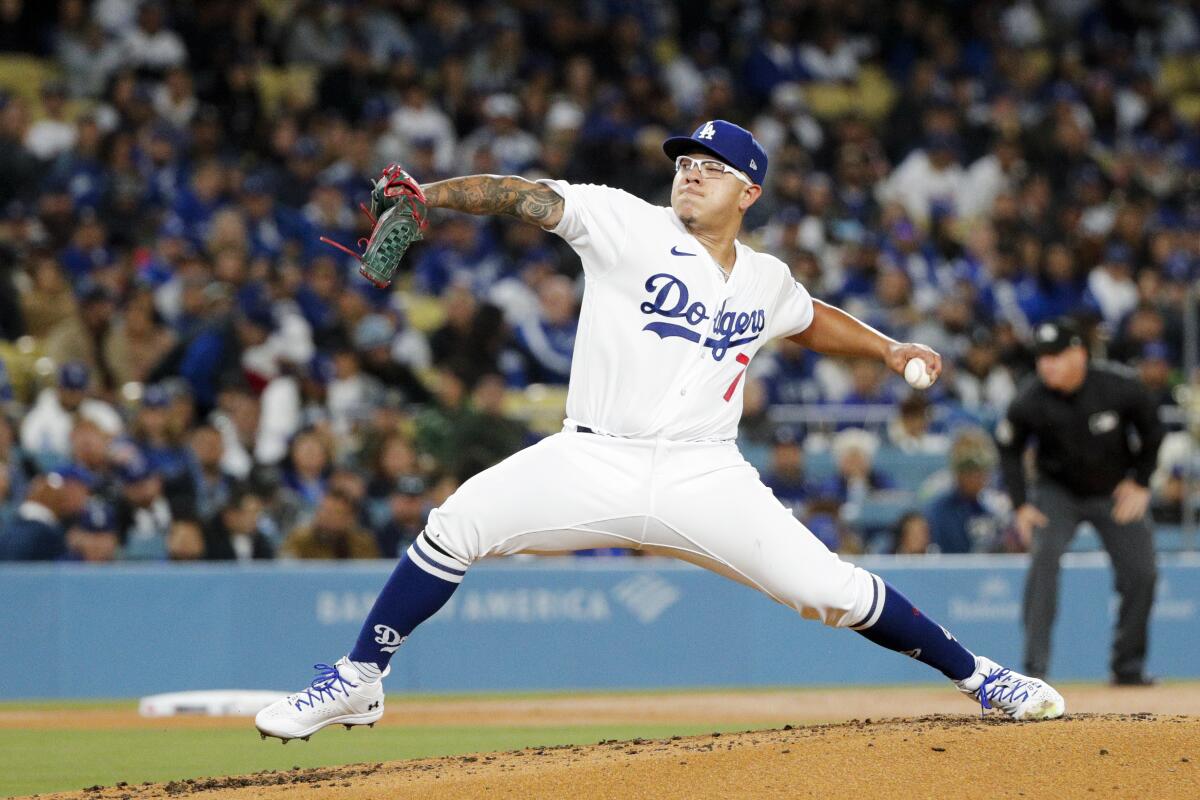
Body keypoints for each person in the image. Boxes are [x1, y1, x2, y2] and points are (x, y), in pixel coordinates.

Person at [256, 119, 1064, 742]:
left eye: (711, 169)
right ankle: (362, 676)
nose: (691, 173)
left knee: (832, 591)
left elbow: (809, 317)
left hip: (703, 475)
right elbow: (522, 193)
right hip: (592, 455)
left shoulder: (765, 277)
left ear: (749, 192)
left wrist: (890, 349)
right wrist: (435, 194)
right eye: (685, 163)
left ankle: (984, 677)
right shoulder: (624, 223)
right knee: (454, 525)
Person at [997, 318, 1164, 686]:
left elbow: (1153, 429)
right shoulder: (1030, 398)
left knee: (1142, 572)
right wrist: (1021, 504)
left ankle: (1128, 668)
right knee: (1043, 561)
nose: (1047, 364)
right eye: (1042, 357)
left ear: (1080, 354)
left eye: (1055, 355)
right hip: (1057, 493)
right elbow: (1009, 449)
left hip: (1113, 490)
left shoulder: (1117, 387)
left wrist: (1141, 482)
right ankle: (1034, 672)